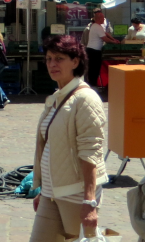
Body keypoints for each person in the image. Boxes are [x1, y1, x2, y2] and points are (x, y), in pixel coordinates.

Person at [29, 35, 108, 242]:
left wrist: (90, 202)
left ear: (75, 61)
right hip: (50, 193)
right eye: (48, 59)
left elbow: (91, 152)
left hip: (75, 194)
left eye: (59, 58)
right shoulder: (57, 97)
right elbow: (50, 147)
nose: (52, 64)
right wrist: (43, 188)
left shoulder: (85, 99)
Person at [82, 9, 119, 88]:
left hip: (93, 50)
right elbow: (104, 38)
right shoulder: (97, 27)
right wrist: (114, 42)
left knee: (94, 68)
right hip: (93, 51)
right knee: (94, 69)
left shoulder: (97, 26)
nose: (104, 19)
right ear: (98, 18)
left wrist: (113, 39)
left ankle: (92, 85)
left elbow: (105, 34)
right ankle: (92, 85)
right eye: (103, 18)